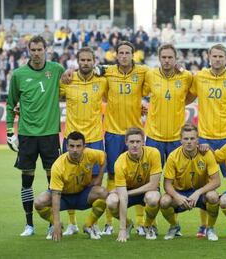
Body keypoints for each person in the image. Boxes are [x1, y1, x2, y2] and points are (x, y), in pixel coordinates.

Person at [6, 35, 65, 236]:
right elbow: (9, 104)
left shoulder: (56, 69)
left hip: (49, 135)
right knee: (26, 180)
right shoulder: (18, 74)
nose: (37, 53)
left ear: (45, 49)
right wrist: (9, 131)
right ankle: (29, 225)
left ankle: (52, 224)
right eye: (33, 50)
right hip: (27, 135)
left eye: (40, 49)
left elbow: (71, 84)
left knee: (53, 182)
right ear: (28, 51)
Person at [190, 43, 226, 237]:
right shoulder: (199, 77)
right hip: (205, 138)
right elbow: (187, 97)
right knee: (204, 183)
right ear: (208, 57)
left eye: (221, 56)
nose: (218, 59)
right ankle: (204, 225)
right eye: (215, 56)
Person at [100, 41, 149, 236]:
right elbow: (104, 96)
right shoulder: (108, 72)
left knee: (139, 177)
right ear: (116, 55)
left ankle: (140, 223)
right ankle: (110, 223)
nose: (124, 56)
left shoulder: (143, 72)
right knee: (112, 176)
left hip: (135, 133)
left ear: (133, 55)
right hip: (112, 132)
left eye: (128, 53)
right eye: (121, 53)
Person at [59, 47, 108, 236]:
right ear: (77, 61)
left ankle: (92, 223)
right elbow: (49, 96)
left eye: (89, 60)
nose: (86, 63)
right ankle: (72, 224)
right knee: (68, 182)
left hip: (95, 139)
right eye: (82, 60)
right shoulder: (68, 81)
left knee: (95, 184)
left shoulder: (102, 81)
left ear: (94, 61)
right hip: (71, 139)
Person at [34, 131, 108, 241]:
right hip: (63, 197)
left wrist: (99, 178)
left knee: (104, 193)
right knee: (39, 202)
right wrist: (56, 222)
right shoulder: (58, 166)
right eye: (72, 146)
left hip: (82, 195)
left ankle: (89, 225)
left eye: (78, 146)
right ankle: (56, 226)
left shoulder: (91, 154)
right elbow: (55, 195)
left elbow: (103, 157)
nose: (75, 150)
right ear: (67, 146)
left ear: (84, 147)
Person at [160, 124, 221, 241]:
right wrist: (177, 196)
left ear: (197, 140)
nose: (189, 142)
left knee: (213, 196)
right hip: (180, 193)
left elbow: (217, 181)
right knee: (164, 201)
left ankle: (210, 228)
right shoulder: (173, 156)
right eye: (186, 139)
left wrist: (198, 192)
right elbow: (167, 184)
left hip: (201, 194)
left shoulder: (206, 154)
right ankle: (174, 226)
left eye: (192, 138)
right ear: (180, 140)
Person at [106, 127, 162, 242]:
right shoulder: (120, 162)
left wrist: (127, 192)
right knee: (111, 201)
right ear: (126, 142)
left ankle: (148, 225)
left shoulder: (154, 153)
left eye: (138, 141)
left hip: (147, 191)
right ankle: (127, 225)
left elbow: (153, 185)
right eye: (132, 142)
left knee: (153, 197)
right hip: (128, 192)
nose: (135, 145)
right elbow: (122, 197)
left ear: (143, 142)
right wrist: (121, 229)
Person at [143, 44, 194, 166]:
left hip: (177, 137)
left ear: (176, 59)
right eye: (164, 57)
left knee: (179, 179)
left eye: (170, 57)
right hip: (154, 136)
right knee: (152, 176)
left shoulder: (186, 76)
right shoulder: (150, 75)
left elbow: (194, 93)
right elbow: (139, 92)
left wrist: (181, 101)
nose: (167, 60)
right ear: (159, 58)